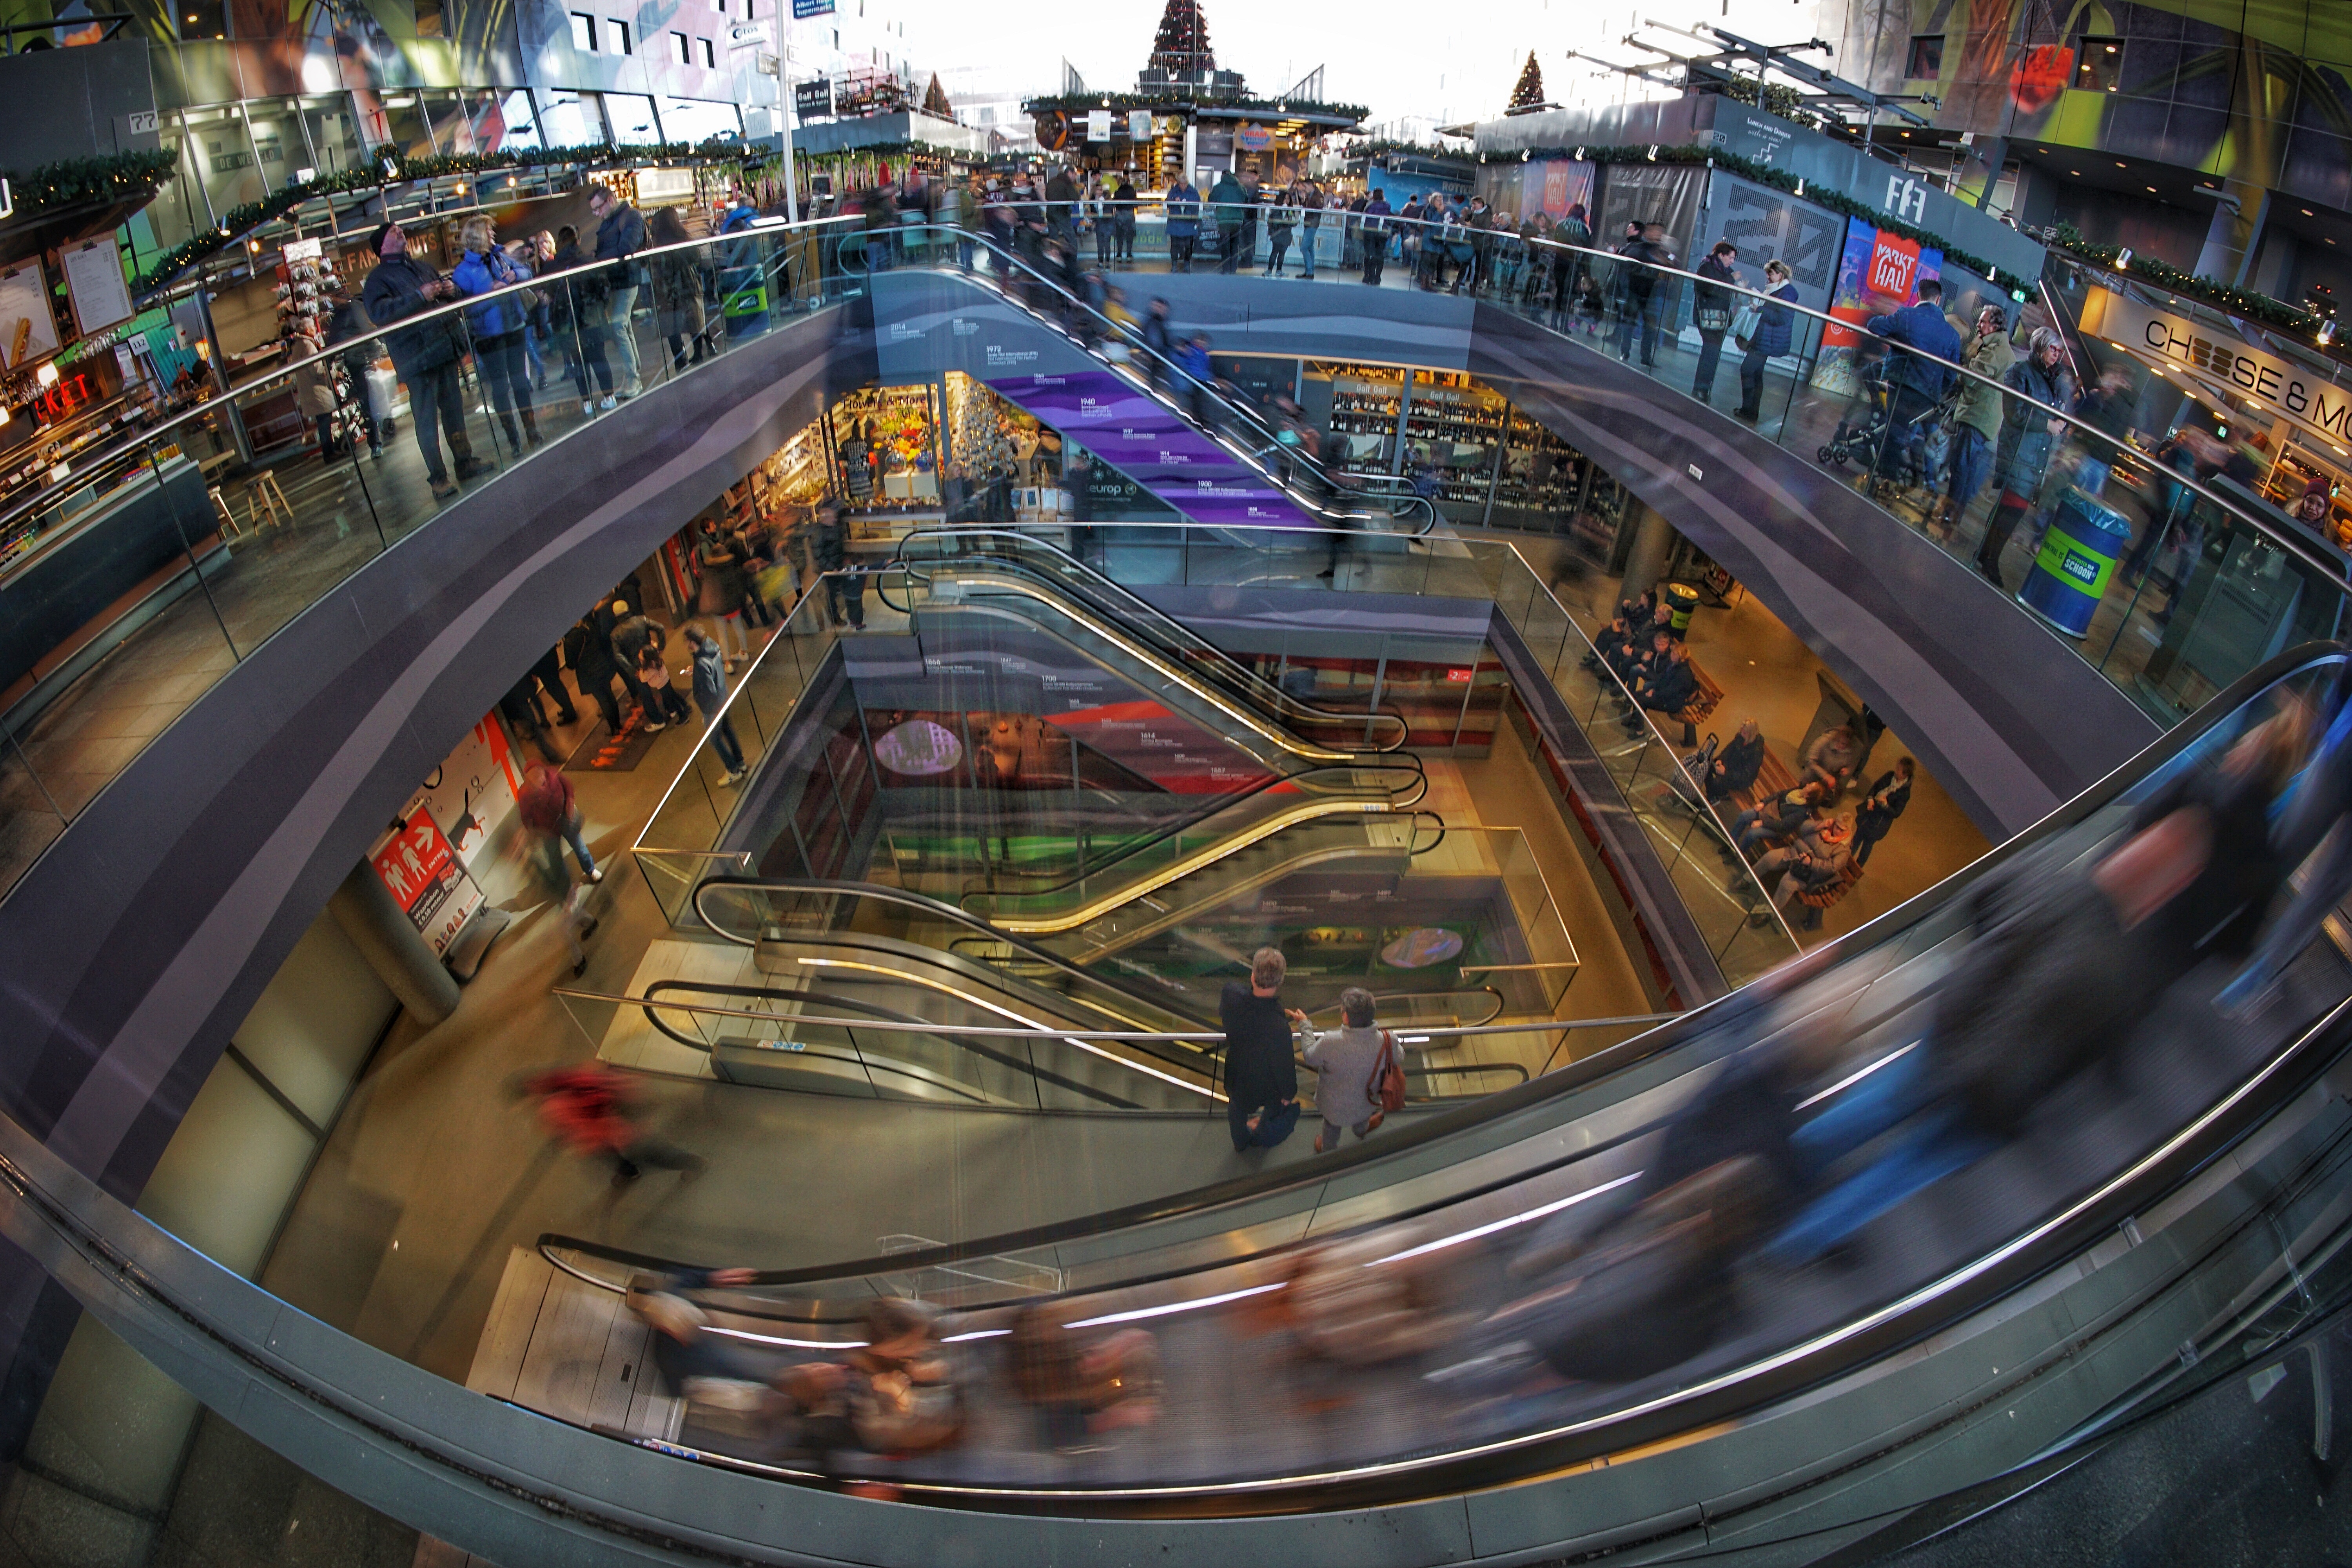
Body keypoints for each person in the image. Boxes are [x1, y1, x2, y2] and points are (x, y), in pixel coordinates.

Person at [361, 221, 483, 499]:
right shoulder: (377, 281)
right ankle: (438, 479)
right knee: (427, 420)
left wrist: (451, 292)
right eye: (394, 232)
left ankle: (465, 462)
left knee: (454, 411)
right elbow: (381, 314)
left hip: (442, 350)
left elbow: (445, 298)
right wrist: (421, 296)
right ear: (382, 246)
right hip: (417, 360)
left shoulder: (422, 267)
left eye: (400, 229)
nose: (400, 232)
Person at [1976, 327, 2071, 588]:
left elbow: (2055, 414)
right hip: (2019, 451)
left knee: (2010, 509)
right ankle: (1990, 559)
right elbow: (2015, 412)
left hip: (2035, 455)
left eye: (2060, 351)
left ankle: (1986, 555)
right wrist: (2048, 425)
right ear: (2040, 346)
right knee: (2012, 509)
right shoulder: (2020, 372)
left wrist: (2059, 425)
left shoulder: (2053, 380)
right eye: (2053, 349)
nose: (2057, 355)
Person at [521, 1061, 704, 1184]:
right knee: (611, 1154)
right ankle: (629, 1171)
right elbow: (597, 1076)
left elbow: (584, 1127)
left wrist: (581, 1140)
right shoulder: (560, 1080)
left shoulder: (555, 1104)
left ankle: (694, 1164)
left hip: (615, 1130)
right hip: (616, 1120)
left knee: (654, 1153)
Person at [1863, 276, 1963, 491]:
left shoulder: (1906, 316)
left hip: (1901, 388)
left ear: (1919, 296)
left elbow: (1874, 325)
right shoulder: (1952, 335)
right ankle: (1922, 484)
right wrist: (1938, 389)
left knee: (1894, 435)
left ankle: (1884, 486)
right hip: (1929, 396)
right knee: (1921, 439)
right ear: (1939, 301)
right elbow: (1950, 376)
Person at [452, 213, 539, 453]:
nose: (493, 235)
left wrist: (514, 276)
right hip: (489, 337)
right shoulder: (462, 273)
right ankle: (514, 440)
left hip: (515, 327)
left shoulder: (500, 257)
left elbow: (526, 272)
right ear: (477, 235)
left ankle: (532, 432)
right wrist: (491, 294)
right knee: (501, 389)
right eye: (489, 231)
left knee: (521, 382)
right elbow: (467, 311)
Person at [1936, 307, 2014, 532]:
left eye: (1983, 322)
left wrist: (1958, 370)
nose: (1979, 326)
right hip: (1978, 415)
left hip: (1977, 416)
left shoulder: (1996, 350)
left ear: (1995, 326)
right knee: (1965, 467)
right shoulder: (1993, 346)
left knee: (1961, 466)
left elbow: (1973, 376)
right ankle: (1953, 512)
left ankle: (1950, 513)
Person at [1220, 946, 1300, 1151]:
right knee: (1273, 1109)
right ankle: (1261, 1135)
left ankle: (1240, 1142)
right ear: (1280, 981)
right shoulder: (1279, 1026)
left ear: (1253, 975)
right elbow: (1284, 1065)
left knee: (1236, 1108)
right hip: (1268, 1084)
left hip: (1238, 1074)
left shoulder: (1231, 996)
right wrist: (1288, 1093)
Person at [1301, 987, 1392, 1154]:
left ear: (1346, 1017)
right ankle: (1362, 1131)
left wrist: (1306, 1026)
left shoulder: (1331, 1041)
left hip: (1334, 1107)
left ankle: (1328, 1150)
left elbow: (1310, 1056)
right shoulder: (1386, 1040)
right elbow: (1398, 1057)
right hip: (1367, 1100)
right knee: (1362, 1118)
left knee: (1331, 1129)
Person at [588, 182, 650, 397]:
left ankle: (633, 377)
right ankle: (633, 374)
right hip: (616, 281)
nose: (597, 214)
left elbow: (626, 248)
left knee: (618, 325)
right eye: (594, 210)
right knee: (623, 325)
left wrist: (597, 258)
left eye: (599, 208)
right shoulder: (614, 220)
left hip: (627, 280)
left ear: (611, 201)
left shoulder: (630, 217)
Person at [548, 223, 617, 412]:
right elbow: (604, 290)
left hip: (567, 324)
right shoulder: (589, 262)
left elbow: (548, 294)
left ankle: (587, 403)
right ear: (578, 241)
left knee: (579, 363)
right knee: (599, 357)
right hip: (592, 318)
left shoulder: (553, 267)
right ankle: (609, 397)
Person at [1733, 260, 1798, 423]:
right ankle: (1750, 412)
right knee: (1756, 374)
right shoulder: (1775, 290)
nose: (1768, 277)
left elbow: (1782, 317)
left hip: (1768, 341)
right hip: (1764, 338)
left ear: (1780, 275)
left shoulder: (1787, 293)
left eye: (1770, 274)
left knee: (1747, 370)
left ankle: (1748, 410)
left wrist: (1760, 310)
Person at [648, 205, 707, 372]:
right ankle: (698, 353)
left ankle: (680, 359)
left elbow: (654, 267)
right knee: (693, 319)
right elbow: (696, 257)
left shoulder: (657, 243)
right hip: (687, 283)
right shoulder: (684, 237)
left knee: (671, 324)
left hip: (666, 288)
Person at [686, 625, 748, 785]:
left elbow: (708, 690)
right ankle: (740, 762)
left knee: (714, 739)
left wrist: (705, 709)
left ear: (692, 642)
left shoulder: (701, 662)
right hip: (724, 696)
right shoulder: (712, 648)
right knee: (728, 729)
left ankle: (733, 770)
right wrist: (698, 672)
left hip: (713, 707)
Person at [611, 601, 688, 728]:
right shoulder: (642, 620)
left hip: (637, 667)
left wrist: (631, 670)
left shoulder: (615, 634)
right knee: (663, 686)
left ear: (615, 615)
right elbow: (661, 628)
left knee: (646, 696)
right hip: (651, 659)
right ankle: (672, 709)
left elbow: (618, 655)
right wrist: (661, 647)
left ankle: (658, 721)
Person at [1690, 240, 1741, 406]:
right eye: (1731, 258)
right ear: (1721, 255)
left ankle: (1703, 388)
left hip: (1720, 319)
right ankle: (1702, 388)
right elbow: (1710, 289)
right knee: (1711, 353)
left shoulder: (1724, 271)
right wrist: (1731, 280)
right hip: (1709, 317)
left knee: (1711, 353)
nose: (1732, 262)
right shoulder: (1707, 267)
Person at [692, 516, 751, 663]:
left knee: (722, 634)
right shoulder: (730, 565)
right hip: (732, 603)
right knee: (739, 627)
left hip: (718, 606)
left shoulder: (711, 572)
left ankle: (728, 663)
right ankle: (744, 653)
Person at [565, 609, 626, 734]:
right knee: (609, 695)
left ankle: (613, 728)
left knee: (602, 700)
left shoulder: (570, 641)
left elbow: (571, 665)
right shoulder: (590, 628)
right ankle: (618, 724)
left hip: (588, 674)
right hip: (602, 666)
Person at [287, 326, 339, 463]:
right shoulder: (308, 346)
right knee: (325, 421)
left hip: (309, 391)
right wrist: (334, 374)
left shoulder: (298, 345)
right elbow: (317, 369)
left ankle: (329, 451)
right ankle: (329, 452)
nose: (315, 329)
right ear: (308, 330)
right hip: (317, 390)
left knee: (323, 421)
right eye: (312, 327)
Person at [1852, 756, 1914, 867]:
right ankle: (1845, 863)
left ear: (1905, 775)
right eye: (1897, 767)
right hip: (1868, 815)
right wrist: (1871, 798)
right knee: (1855, 840)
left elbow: (1897, 813)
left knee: (1867, 846)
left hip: (1878, 824)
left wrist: (1886, 805)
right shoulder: (1890, 776)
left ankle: (1855, 870)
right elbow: (1876, 786)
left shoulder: (1904, 793)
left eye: (1899, 770)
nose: (1896, 771)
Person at [812, 501, 864, 630]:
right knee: (831, 594)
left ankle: (852, 610)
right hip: (829, 569)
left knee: (845, 587)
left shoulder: (834, 527)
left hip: (838, 564)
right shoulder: (819, 533)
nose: (835, 519)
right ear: (825, 518)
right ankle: (835, 617)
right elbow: (818, 555)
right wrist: (831, 568)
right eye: (832, 516)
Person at [1707, 718, 1766, 808]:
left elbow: (1746, 775)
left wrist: (1726, 773)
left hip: (1741, 780)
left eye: (1745, 733)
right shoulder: (1741, 737)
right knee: (1707, 766)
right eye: (1742, 731)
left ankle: (1714, 797)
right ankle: (1713, 796)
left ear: (1751, 735)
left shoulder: (1756, 752)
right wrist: (1721, 759)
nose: (1742, 734)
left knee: (1717, 784)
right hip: (1731, 768)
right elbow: (1729, 749)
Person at [1164, 174, 1201, 273]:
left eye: (1185, 184)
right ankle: (1174, 265)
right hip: (1175, 222)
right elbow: (1166, 204)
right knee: (1175, 245)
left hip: (1189, 223)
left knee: (1189, 246)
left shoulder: (1193, 192)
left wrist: (1198, 222)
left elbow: (1198, 208)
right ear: (1178, 183)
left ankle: (1187, 264)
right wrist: (1173, 201)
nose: (1183, 186)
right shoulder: (1174, 192)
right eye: (1181, 184)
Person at [1358, 187, 1392, 285]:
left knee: (1369, 254)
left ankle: (1368, 276)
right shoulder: (1387, 206)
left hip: (1369, 231)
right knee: (1380, 254)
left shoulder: (1369, 205)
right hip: (1382, 232)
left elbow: (1363, 214)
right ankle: (1377, 278)